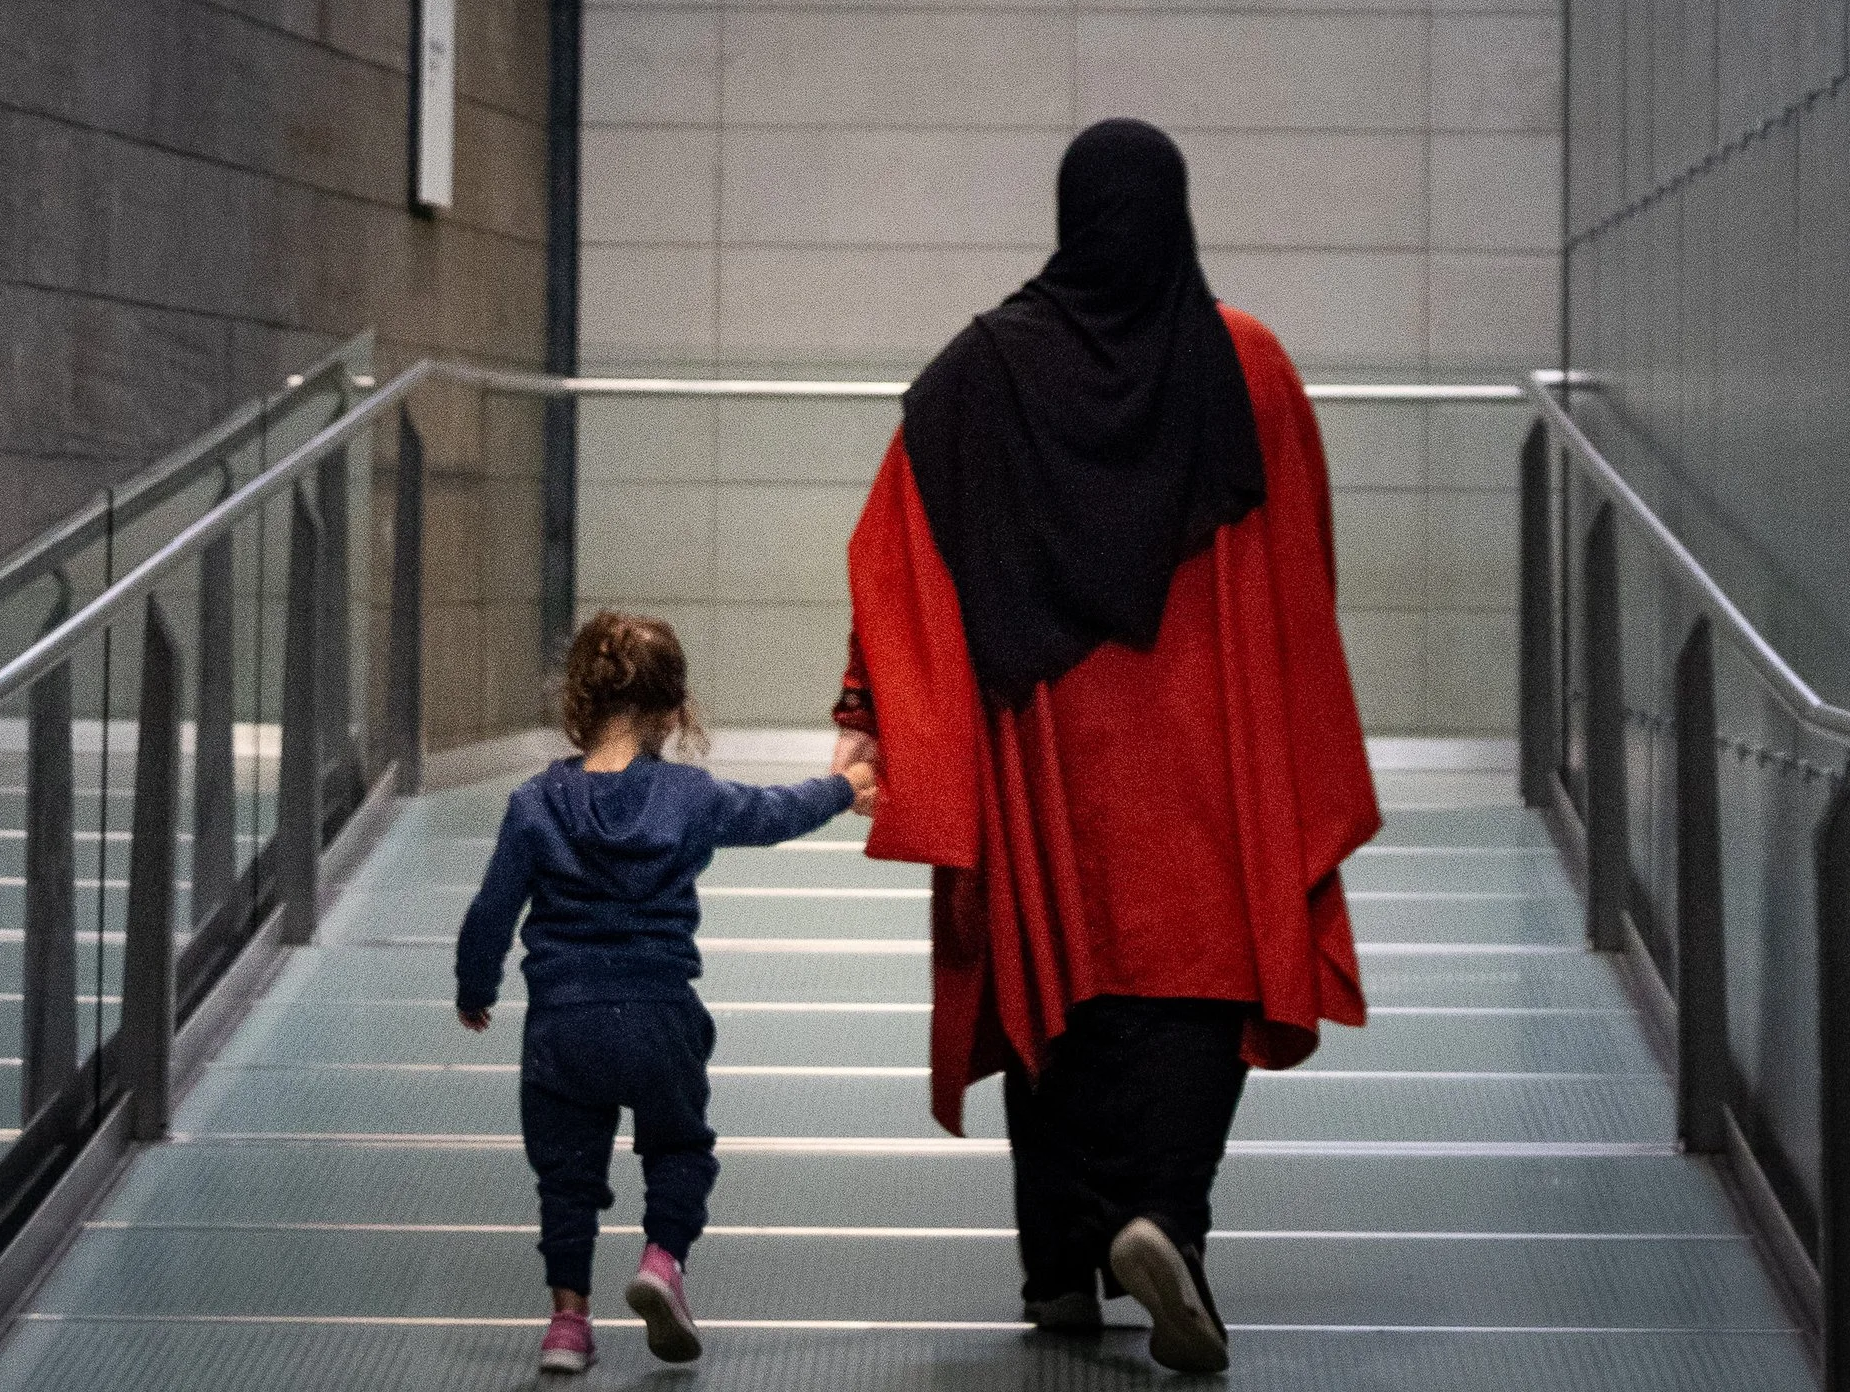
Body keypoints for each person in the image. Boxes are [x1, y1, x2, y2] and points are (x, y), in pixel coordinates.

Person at [831, 119, 1379, 1376]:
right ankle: (1162, 1222)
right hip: (1206, 744)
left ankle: (1058, 1270)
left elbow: (896, 550)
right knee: (1202, 985)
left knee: (1051, 979)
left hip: (1049, 753)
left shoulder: (980, 368)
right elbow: (1303, 554)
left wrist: (870, 707)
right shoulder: (1246, 362)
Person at [456, 608, 876, 1376]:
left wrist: (474, 986)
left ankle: (567, 1325)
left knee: (566, 1176)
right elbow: (772, 815)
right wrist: (841, 785)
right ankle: (661, 1262)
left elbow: (491, 911)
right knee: (678, 1147)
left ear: (578, 700)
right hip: (659, 1017)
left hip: (563, 1024)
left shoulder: (534, 803)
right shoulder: (689, 796)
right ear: (676, 710)